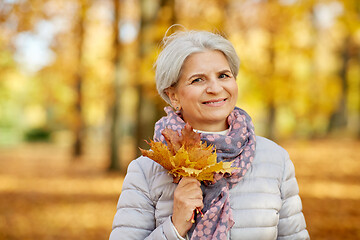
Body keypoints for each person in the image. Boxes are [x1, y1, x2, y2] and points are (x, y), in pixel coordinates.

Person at [109, 30, 310, 240]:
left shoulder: (275, 160)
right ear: (173, 96)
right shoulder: (146, 171)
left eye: (223, 75)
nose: (215, 88)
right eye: (198, 80)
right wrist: (175, 227)